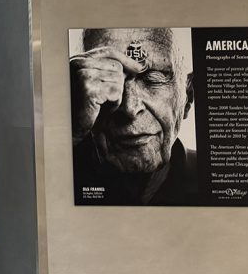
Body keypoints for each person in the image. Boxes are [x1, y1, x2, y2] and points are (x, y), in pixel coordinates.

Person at [70, 27, 196, 206]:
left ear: (188, 98)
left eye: (153, 79)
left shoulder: (212, 176)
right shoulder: (64, 170)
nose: (129, 108)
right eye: (104, 79)